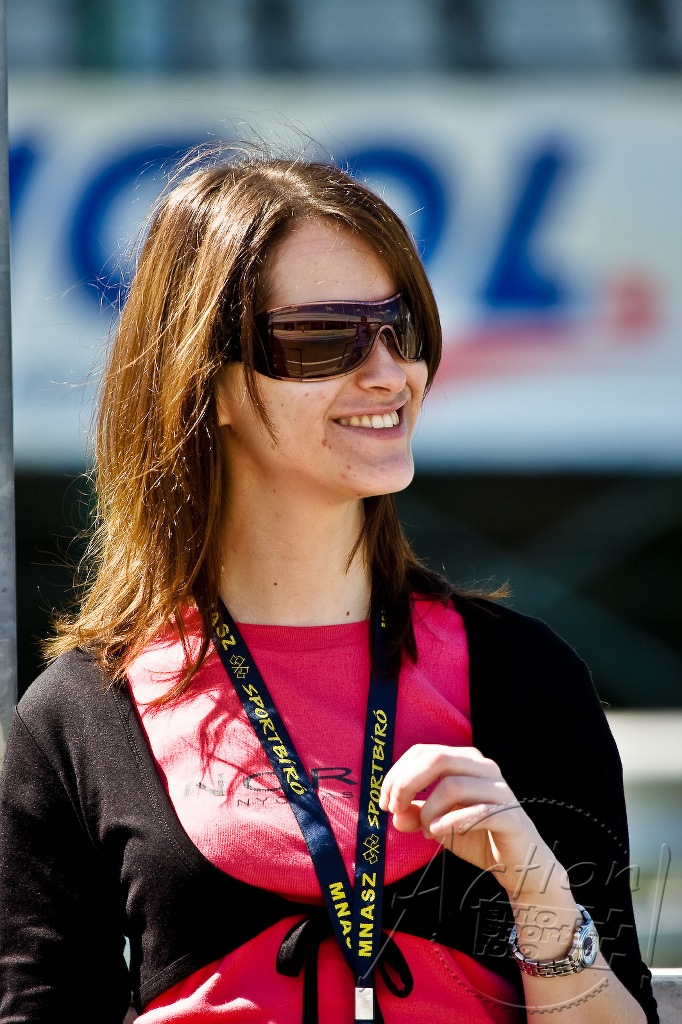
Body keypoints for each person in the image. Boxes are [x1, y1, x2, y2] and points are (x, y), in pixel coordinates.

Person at [0, 152, 657, 1024]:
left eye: (401, 328)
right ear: (206, 381)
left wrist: (539, 891)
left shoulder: (528, 678)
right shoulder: (81, 713)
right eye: (321, 338)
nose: (388, 373)